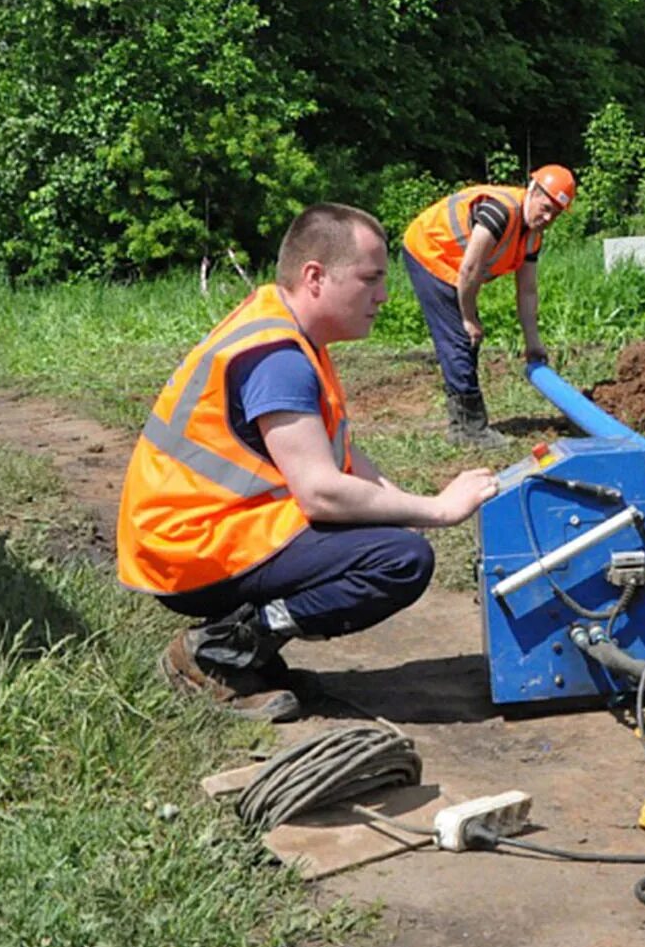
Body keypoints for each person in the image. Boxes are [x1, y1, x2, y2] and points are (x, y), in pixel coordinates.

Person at [117, 203, 499, 721]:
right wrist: (436, 511)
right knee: (399, 560)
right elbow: (320, 491)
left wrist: (414, 506)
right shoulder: (278, 358)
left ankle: (247, 648)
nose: (383, 296)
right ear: (314, 277)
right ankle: (219, 650)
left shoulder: (285, 329)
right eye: (371, 279)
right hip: (189, 549)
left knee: (392, 540)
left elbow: (340, 456)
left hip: (200, 532)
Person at [402, 165, 576, 448]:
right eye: (545, 207)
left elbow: (528, 291)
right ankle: (470, 430)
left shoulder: (532, 234)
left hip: (457, 267)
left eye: (554, 215)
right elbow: (470, 269)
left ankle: (462, 425)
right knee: (460, 336)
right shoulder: (500, 212)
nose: (546, 218)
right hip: (430, 252)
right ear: (532, 191)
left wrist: (532, 341)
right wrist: (469, 317)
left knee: (465, 339)